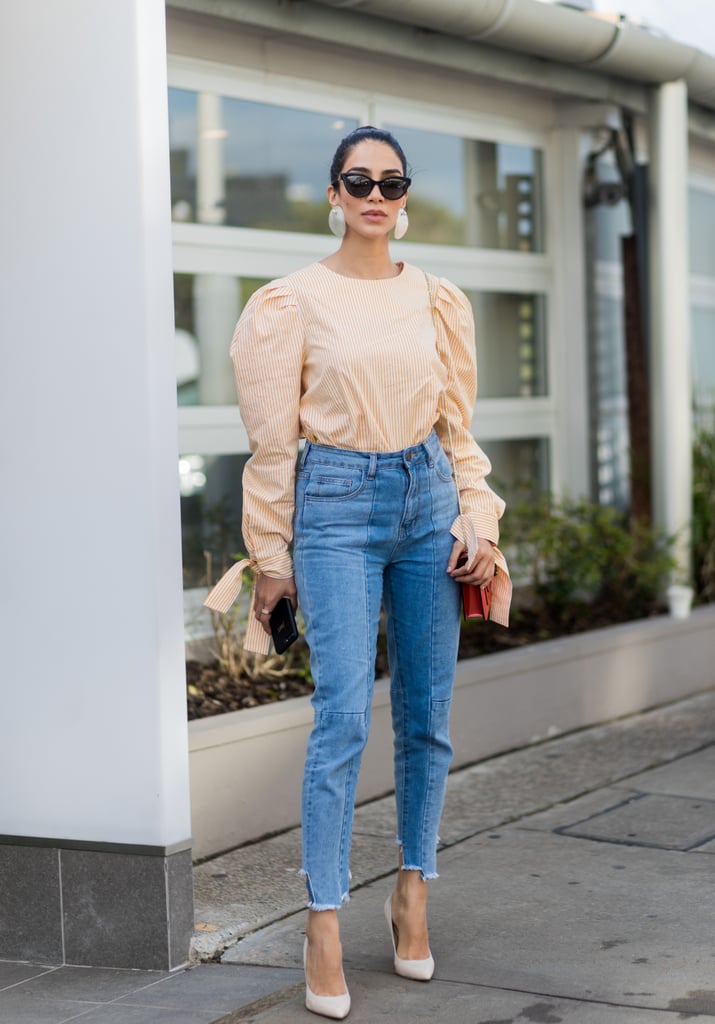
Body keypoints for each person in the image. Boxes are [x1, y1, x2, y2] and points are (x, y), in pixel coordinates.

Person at [205, 126, 512, 1019]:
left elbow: (458, 430)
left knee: (428, 719)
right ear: (332, 194)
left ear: (403, 196)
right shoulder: (289, 304)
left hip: (425, 501)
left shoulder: (435, 300)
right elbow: (270, 448)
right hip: (332, 502)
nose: (375, 193)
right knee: (339, 716)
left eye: (391, 180)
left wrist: (477, 517)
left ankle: (412, 890)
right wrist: (271, 559)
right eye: (357, 179)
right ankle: (324, 919)